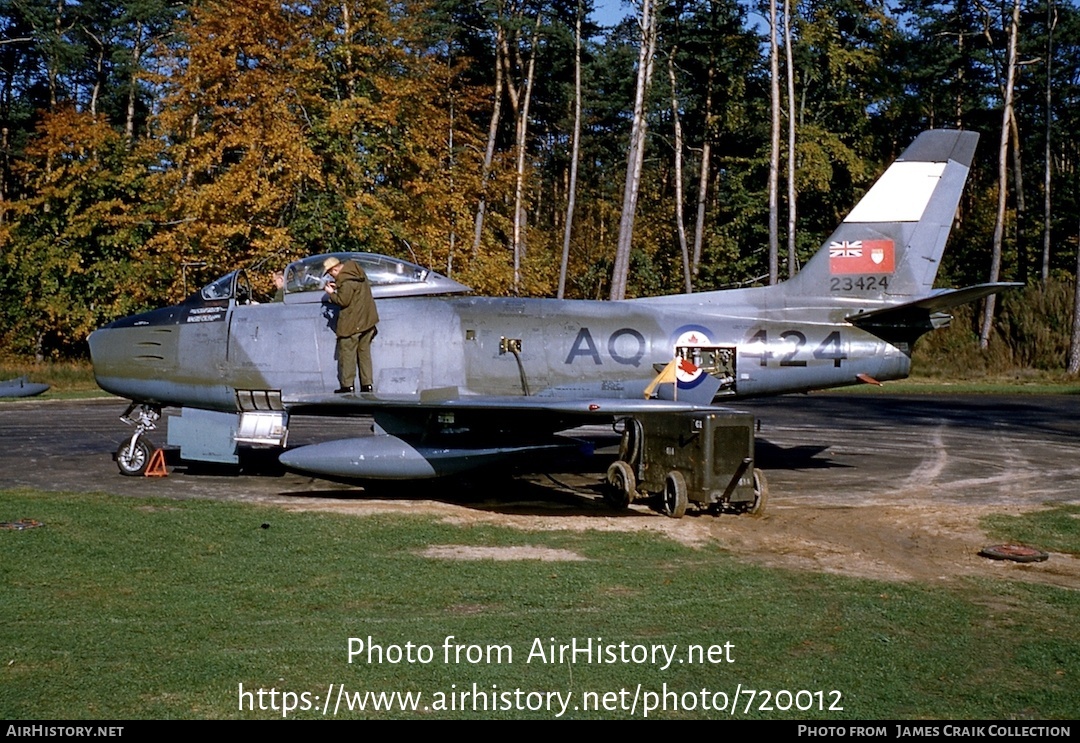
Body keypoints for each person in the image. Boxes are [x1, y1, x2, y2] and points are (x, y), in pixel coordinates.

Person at [323, 257, 379, 394]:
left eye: (331, 273)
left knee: (347, 354)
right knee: (364, 354)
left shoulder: (345, 280)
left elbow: (343, 300)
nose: (331, 276)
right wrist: (339, 287)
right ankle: (367, 385)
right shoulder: (357, 273)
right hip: (367, 321)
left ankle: (347, 386)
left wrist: (331, 294)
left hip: (352, 324)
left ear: (335, 269)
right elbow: (354, 293)